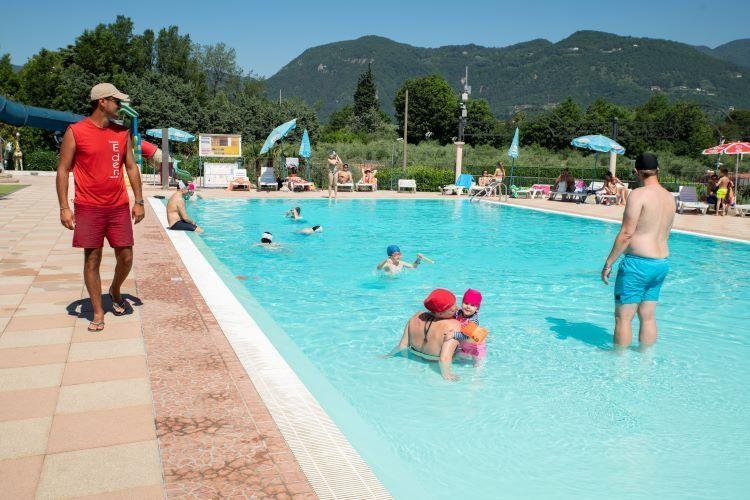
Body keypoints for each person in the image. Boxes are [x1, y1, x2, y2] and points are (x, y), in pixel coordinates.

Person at [55, 83, 144, 333]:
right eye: (117, 101)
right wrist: (64, 207)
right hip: (88, 207)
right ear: (102, 102)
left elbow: (131, 167)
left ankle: (115, 289)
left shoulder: (122, 132)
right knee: (92, 258)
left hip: (117, 206)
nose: (120, 106)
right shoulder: (76, 131)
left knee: (126, 256)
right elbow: (63, 170)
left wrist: (139, 201)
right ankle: (97, 311)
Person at [601, 153, 675, 349]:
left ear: (637, 172)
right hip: (661, 263)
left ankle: (619, 362)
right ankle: (646, 359)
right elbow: (666, 233)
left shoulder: (638, 194)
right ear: (658, 170)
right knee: (648, 316)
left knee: (623, 318)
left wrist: (608, 263)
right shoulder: (669, 197)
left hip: (637, 264)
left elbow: (626, 233)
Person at [385, 289, 462, 380]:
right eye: (452, 310)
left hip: (414, 360)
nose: (457, 309)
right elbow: (444, 358)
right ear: (440, 313)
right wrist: (447, 375)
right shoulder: (453, 325)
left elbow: (402, 346)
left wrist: (389, 355)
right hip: (434, 363)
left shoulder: (416, 316)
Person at [453, 289, 487, 362]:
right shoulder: (458, 313)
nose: (468, 306)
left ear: (477, 308)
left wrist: (453, 334)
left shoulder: (474, 321)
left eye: (472, 305)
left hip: (476, 348)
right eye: (466, 303)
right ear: (462, 303)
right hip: (464, 346)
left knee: (478, 363)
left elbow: (467, 336)